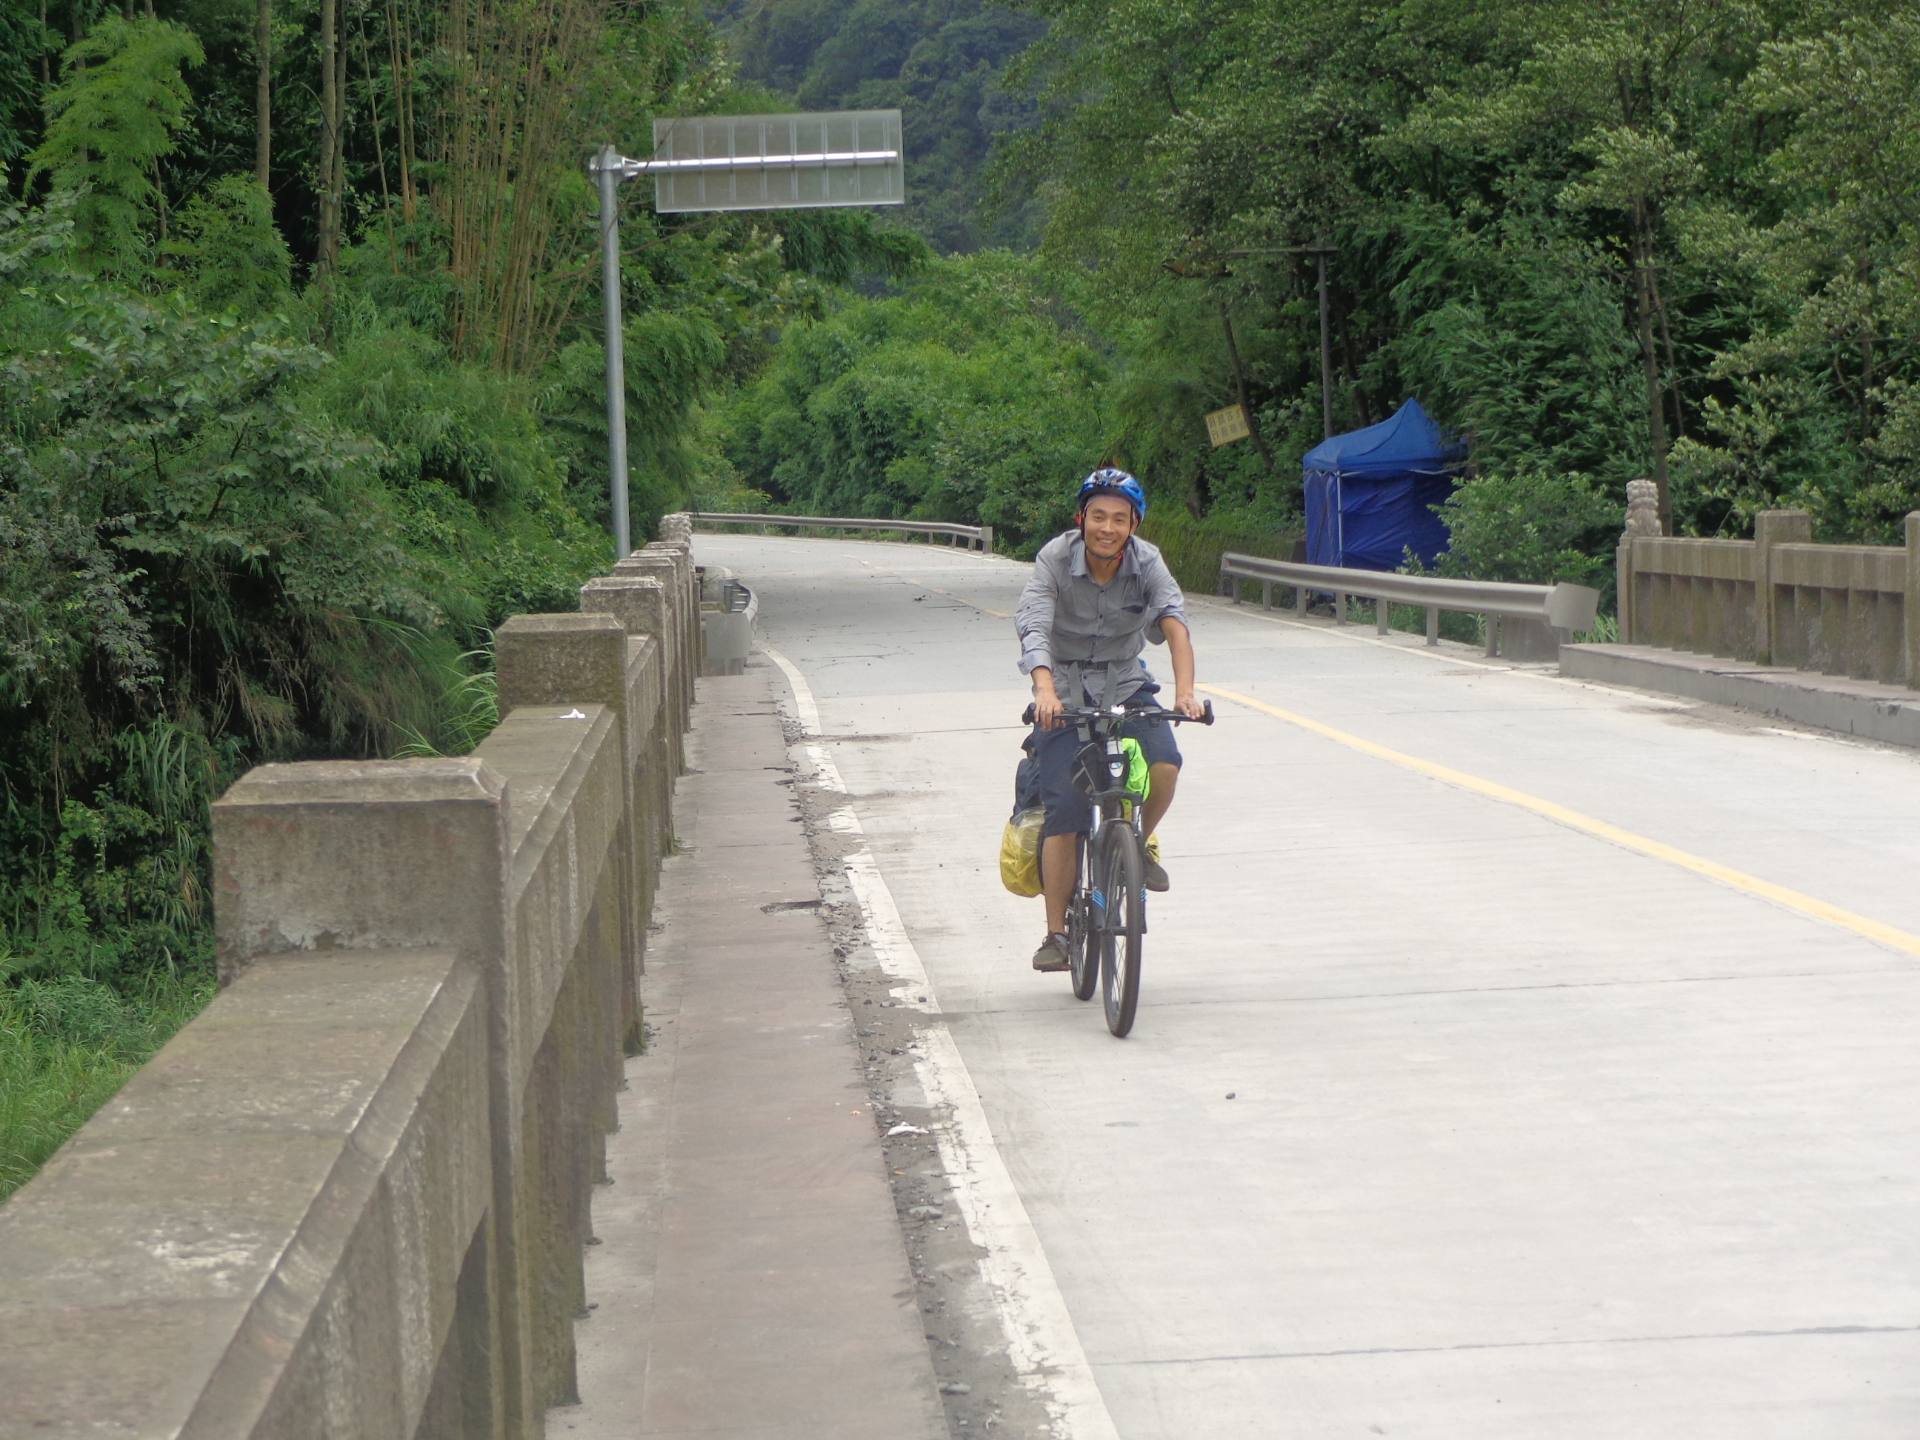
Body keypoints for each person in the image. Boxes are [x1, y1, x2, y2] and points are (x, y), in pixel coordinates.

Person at [1015, 467, 1204, 972]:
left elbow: (1174, 622)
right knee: (1066, 810)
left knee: (1165, 764)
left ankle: (1136, 844)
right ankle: (1056, 933)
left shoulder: (1147, 562)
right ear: (1082, 518)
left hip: (1125, 681)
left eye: (1119, 518)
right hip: (1064, 690)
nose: (1107, 526)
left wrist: (1185, 692)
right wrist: (1044, 690)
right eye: (1098, 516)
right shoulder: (1055, 558)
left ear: (1133, 525)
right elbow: (1034, 625)